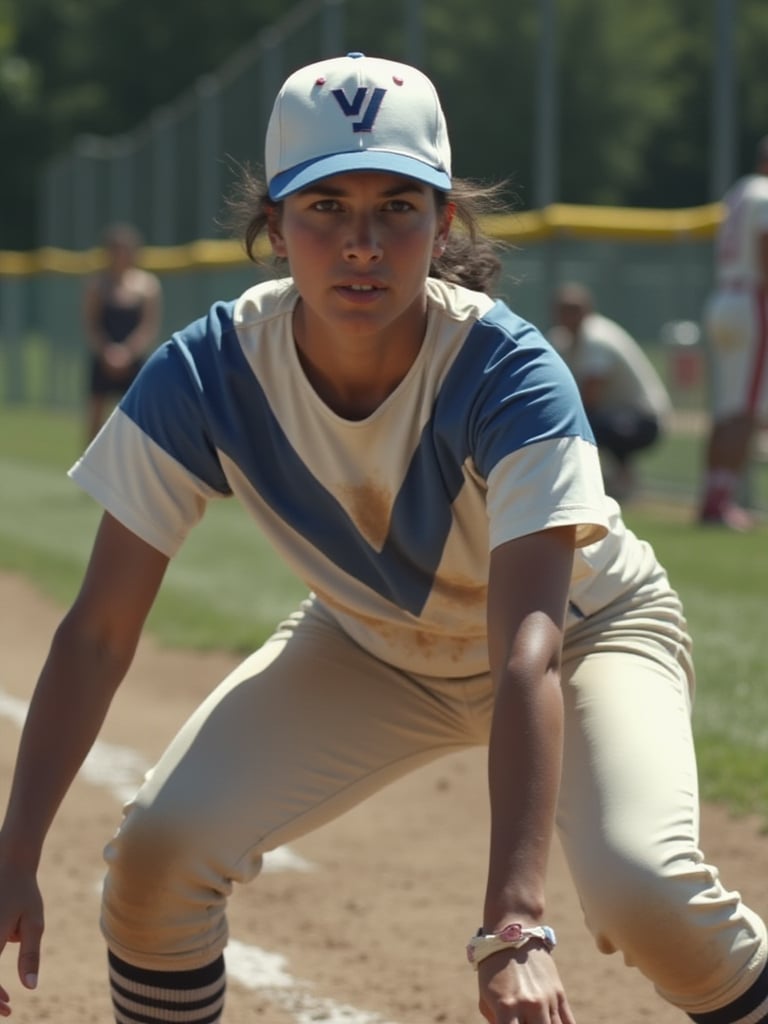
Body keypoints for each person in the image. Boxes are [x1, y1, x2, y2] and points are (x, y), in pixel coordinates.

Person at [0, 51, 766, 1024]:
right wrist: (14, 852)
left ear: (444, 221)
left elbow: (527, 645)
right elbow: (101, 630)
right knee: (158, 858)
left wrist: (514, 922)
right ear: (273, 224)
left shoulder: (507, 370)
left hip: (585, 635)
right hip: (378, 646)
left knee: (647, 894)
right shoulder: (207, 374)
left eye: (397, 205)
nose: (361, 241)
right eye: (325, 206)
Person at [698, 135, 768, 530]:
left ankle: (711, 497)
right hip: (752, 300)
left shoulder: (741, 190)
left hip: (725, 296)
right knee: (746, 409)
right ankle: (722, 503)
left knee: (727, 409)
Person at [550, 282, 672, 501]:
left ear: (587, 310)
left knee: (582, 423)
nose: (568, 315)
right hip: (615, 413)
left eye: (574, 309)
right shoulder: (562, 339)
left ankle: (611, 483)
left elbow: (590, 395)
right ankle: (615, 480)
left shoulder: (597, 337)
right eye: (563, 310)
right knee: (584, 422)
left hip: (645, 419)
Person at [82, 222, 163, 444]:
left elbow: (148, 326)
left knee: (138, 416)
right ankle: (92, 469)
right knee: (96, 416)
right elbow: (92, 325)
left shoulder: (147, 285)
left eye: (126, 250)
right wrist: (107, 352)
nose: (121, 255)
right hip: (103, 357)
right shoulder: (98, 284)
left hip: (133, 359)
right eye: (116, 250)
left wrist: (127, 353)